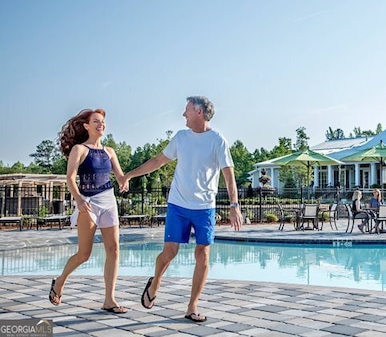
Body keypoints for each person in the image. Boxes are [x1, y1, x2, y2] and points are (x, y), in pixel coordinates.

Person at [120, 96, 242, 323]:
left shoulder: (217, 140)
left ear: (199, 112)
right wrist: (129, 174)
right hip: (178, 204)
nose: (183, 114)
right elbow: (157, 161)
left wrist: (234, 205)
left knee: (203, 255)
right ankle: (155, 281)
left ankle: (192, 305)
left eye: (186, 110)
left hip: (204, 207)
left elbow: (229, 175)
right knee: (169, 253)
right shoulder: (181, 137)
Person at [49, 108, 128, 314]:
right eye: (96, 121)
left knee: (114, 250)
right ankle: (59, 282)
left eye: (102, 122)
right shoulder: (79, 150)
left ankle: (109, 300)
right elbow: (70, 177)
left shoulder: (109, 151)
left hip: (109, 201)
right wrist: (79, 199)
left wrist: (124, 182)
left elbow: (120, 176)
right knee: (84, 253)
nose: (101, 124)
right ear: (86, 126)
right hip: (88, 203)